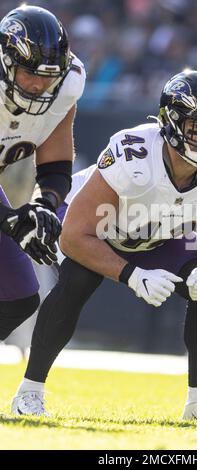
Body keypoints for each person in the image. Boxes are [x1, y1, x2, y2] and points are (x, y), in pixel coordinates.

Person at [12, 70, 197, 423]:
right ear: (171, 122)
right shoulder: (134, 153)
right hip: (95, 226)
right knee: (76, 282)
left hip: (159, 233)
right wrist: (133, 275)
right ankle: (29, 392)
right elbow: (76, 235)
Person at [0, 5, 86, 342]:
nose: (39, 84)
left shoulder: (66, 86)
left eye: (48, 76)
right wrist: (9, 220)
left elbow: (56, 163)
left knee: (18, 298)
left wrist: (44, 205)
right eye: (29, 73)